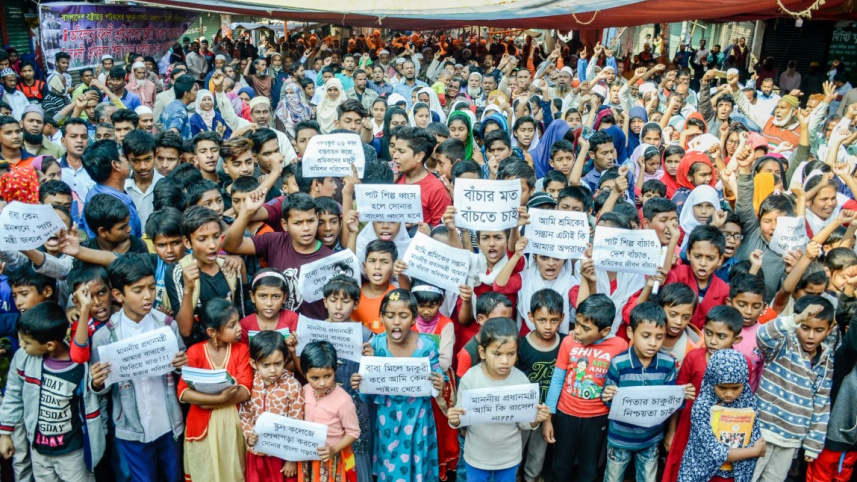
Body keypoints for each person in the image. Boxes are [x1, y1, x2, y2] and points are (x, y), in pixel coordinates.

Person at [90, 254, 187, 482]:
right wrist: (97, 382)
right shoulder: (105, 337)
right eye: (138, 290)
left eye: (151, 287)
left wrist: (182, 365)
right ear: (118, 295)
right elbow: (102, 388)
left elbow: (183, 368)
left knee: (173, 476)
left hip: (168, 422)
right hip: (132, 427)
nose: (147, 296)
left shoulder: (166, 326)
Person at [0, 302, 107, 481]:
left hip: (73, 453)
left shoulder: (79, 366)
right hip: (39, 451)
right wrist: (5, 433)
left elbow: (97, 400)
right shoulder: (23, 359)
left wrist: (96, 385)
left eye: (27, 342)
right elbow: (13, 396)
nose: (21, 345)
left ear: (49, 345)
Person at [349, 288, 445, 482]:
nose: (396, 322)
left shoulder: (426, 345)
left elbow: (437, 382)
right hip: (388, 421)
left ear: (414, 318)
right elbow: (367, 392)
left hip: (418, 418)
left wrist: (439, 383)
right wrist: (359, 383)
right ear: (381, 317)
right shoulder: (376, 345)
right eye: (390, 315)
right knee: (390, 466)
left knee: (418, 464)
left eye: (403, 315)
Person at [447, 317, 550, 482]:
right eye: (497, 354)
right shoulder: (470, 379)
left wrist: (535, 419)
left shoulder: (521, 381)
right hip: (477, 456)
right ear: (482, 352)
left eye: (511, 354)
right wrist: (454, 419)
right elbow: (461, 417)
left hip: (509, 457)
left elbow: (524, 423)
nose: (505, 361)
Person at [543, 294, 629, 482]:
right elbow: (557, 380)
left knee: (589, 467)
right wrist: (548, 418)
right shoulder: (569, 342)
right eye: (577, 324)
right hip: (566, 415)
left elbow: (623, 382)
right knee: (561, 464)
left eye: (586, 328)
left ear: (605, 331)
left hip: (598, 418)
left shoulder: (620, 346)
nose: (578, 331)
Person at [601, 302, 690, 482]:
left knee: (648, 478)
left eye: (659, 337)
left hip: (651, 439)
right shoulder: (619, 363)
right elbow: (607, 398)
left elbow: (669, 403)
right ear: (630, 333)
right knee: (613, 478)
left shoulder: (668, 364)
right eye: (646, 336)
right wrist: (608, 395)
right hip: (620, 438)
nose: (653, 343)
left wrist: (682, 396)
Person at [752, 297, 835, 482]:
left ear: (829, 329)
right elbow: (763, 335)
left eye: (819, 330)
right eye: (805, 327)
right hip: (762, 430)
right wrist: (796, 319)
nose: (811, 336)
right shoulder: (783, 344)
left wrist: (813, 444)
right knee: (748, 477)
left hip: (792, 439)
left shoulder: (827, 360)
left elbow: (822, 402)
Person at [662, 305, 749, 482]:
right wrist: (672, 432)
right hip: (687, 426)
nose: (712, 341)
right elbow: (678, 398)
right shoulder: (694, 357)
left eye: (721, 336)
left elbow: (742, 401)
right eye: (708, 333)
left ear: (736, 338)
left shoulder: (743, 362)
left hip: (721, 428)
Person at [177, 298, 251, 481]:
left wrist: (204, 401)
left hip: (234, 428)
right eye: (232, 325)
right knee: (206, 473)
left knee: (233, 473)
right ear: (212, 332)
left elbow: (244, 391)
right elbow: (184, 393)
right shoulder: (195, 352)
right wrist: (220, 398)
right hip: (203, 429)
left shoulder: (241, 350)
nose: (239, 328)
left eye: (238, 322)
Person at [676, 349, 765, 482]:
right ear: (711, 382)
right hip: (703, 475)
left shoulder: (748, 404)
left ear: (744, 383)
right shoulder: (702, 407)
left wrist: (756, 448)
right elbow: (715, 452)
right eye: (722, 388)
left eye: (736, 388)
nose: (729, 394)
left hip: (734, 476)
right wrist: (754, 451)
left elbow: (757, 440)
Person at [166, 206, 244, 346]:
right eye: (202, 239)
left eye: (216, 236)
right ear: (187, 242)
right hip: (198, 350)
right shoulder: (178, 271)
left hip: (231, 348)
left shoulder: (229, 267)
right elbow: (185, 331)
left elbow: (243, 316)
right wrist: (188, 289)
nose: (212, 245)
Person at [239, 330, 304, 481]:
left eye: (278, 364)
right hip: (257, 453)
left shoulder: (292, 386)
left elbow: (297, 424)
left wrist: (292, 459)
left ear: (285, 360)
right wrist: (249, 435)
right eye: (266, 365)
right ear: (254, 363)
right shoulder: (250, 383)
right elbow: (245, 415)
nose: (273, 370)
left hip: (282, 455)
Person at [516, 289, 565, 482]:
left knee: (538, 452)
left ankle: (532, 477)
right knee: (516, 449)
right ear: (531, 317)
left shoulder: (565, 344)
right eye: (542, 320)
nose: (548, 326)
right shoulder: (521, 345)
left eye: (554, 320)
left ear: (562, 318)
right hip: (523, 411)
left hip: (548, 412)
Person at [299, 341, 360, 481]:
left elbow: (353, 432)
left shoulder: (343, 401)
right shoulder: (303, 391)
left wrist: (333, 449)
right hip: (307, 456)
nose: (322, 383)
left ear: (335, 370)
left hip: (332, 457)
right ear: (304, 374)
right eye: (315, 378)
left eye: (327, 376)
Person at [393, 127, 451, 225]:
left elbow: (442, 230)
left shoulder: (436, 190)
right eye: (395, 150)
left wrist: (418, 226)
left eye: (401, 152)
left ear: (419, 156)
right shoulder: (392, 178)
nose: (395, 156)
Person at [240, 269, 298, 344]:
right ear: (252, 296)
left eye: (276, 296)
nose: (269, 303)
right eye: (262, 296)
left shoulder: (292, 318)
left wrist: (292, 346)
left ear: (284, 297)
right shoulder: (245, 324)